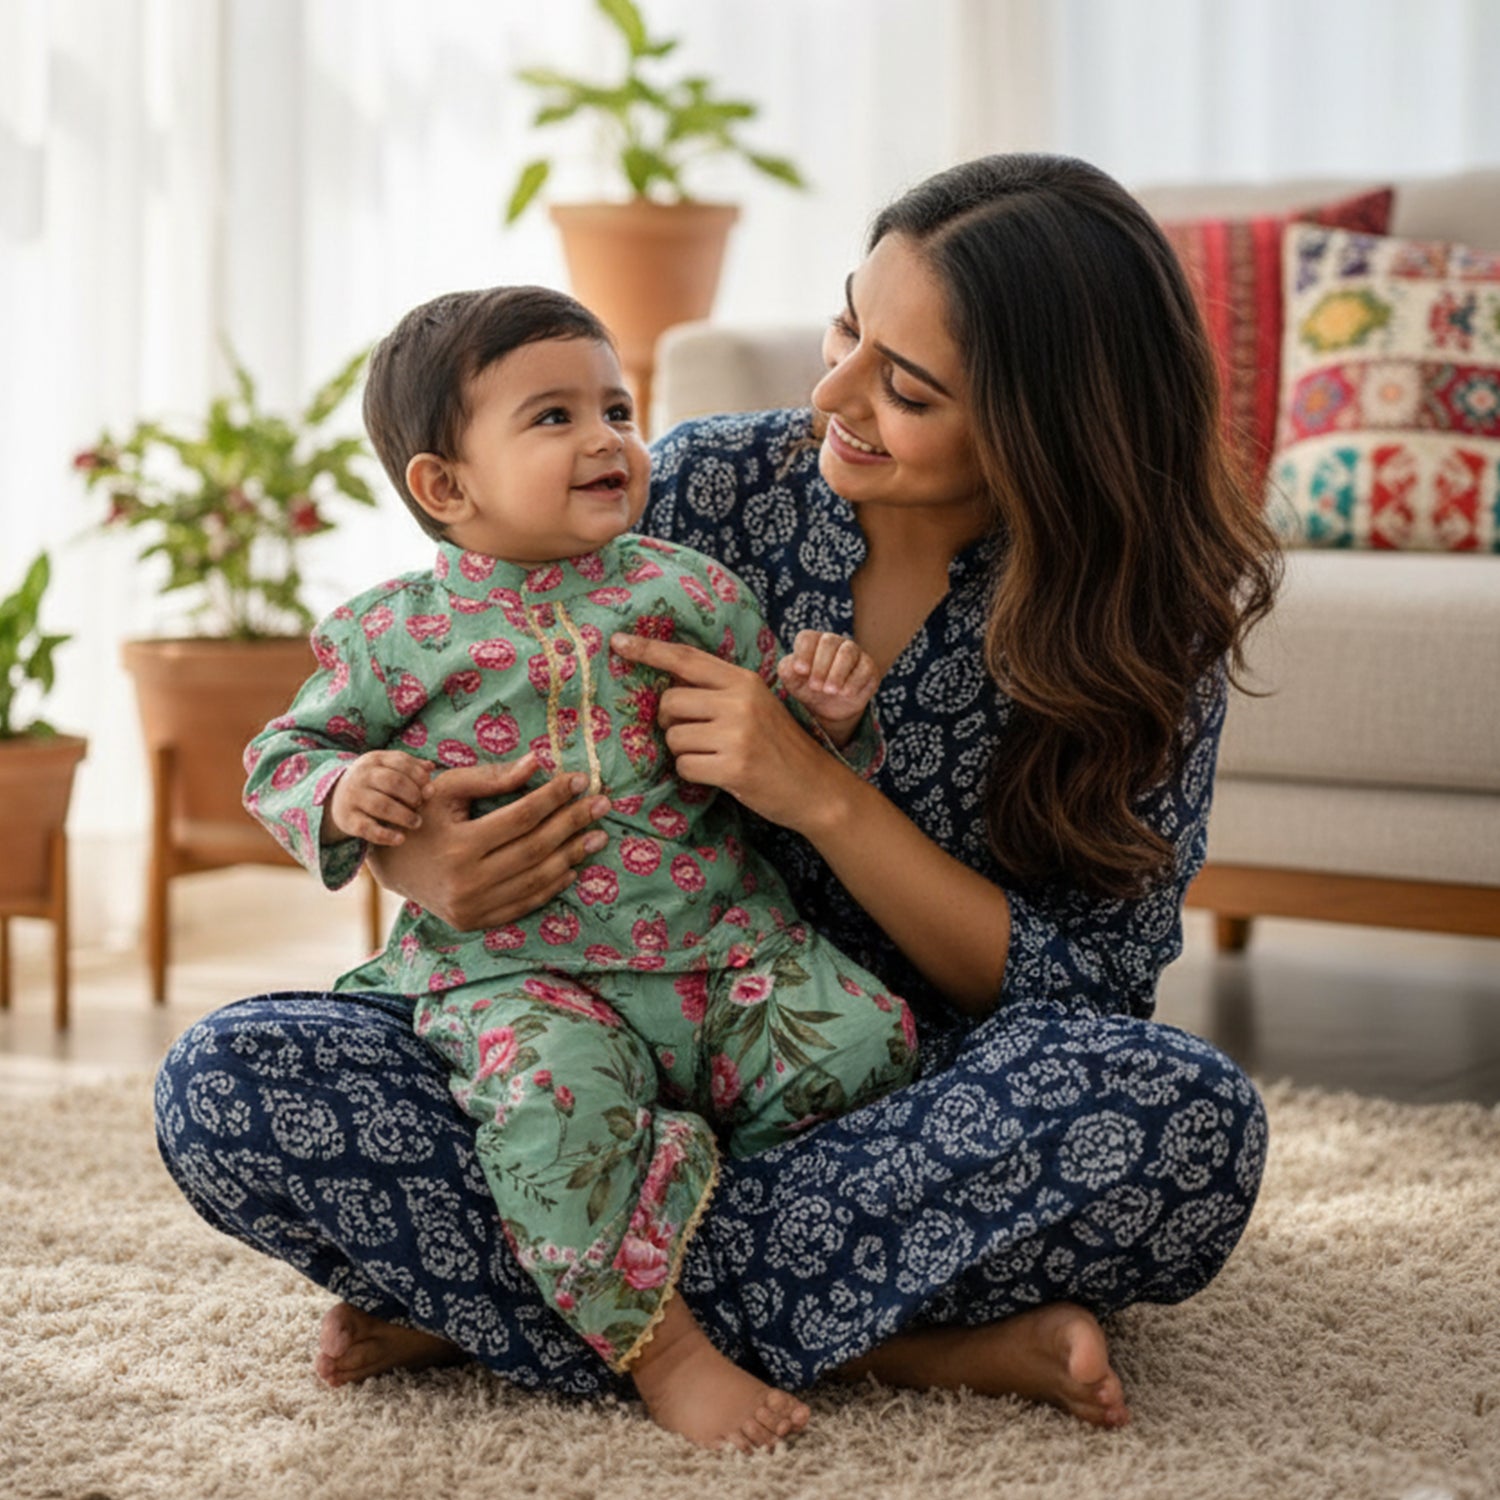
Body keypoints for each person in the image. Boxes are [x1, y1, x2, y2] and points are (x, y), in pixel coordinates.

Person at [155, 153, 1281, 1442]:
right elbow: (449, 686)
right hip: (565, 1036)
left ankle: (551, 1291)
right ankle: (897, 1339)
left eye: (905, 388)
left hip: (881, 1084)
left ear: (1042, 426)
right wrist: (423, 865)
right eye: (848, 324)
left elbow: (1085, 988)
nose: (833, 394)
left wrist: (826, 799)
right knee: (231, 1084)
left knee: (1175, 1121)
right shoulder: (702, 489)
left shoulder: (1150, 632)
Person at [240, 285, 919, 1450]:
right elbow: (280, 757)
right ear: (445, 487)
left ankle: (585, 1246)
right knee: (554, 1121)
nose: (609, 436)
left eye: (616, 405)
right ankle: (667, 1353)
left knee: (871, 1040)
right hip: (521, 980)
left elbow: (789, 754)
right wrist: (350, 794)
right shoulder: (391, 635)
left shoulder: (692, 591)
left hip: (725, 955)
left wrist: (832, 716)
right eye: (554, 417)